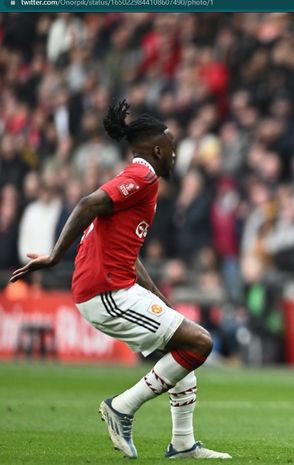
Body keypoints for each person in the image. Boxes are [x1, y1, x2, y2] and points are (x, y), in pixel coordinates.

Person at [10, 100, 231, 459]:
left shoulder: (145, 181)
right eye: (172, 150)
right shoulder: (142, 177)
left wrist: (159, 297)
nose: (175, 156)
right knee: (199, 343)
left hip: (113, 286)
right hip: (106, 291)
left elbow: (128, 252)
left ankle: (183, 443)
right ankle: (122, 407)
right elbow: (86, 204)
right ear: (158, 150)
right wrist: (54, 256)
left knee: (183, 348)